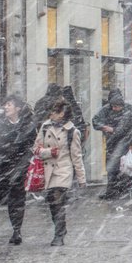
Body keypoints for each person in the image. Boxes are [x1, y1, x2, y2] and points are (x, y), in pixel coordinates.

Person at [33, 99, 86, 247]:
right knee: (52, 202)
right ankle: (61, 227)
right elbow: (36, 148)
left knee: (58, 199)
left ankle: (59, 234)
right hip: (48, 168)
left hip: (63, 170)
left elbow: (76, 156)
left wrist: (81, 178)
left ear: (62, 114)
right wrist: (48, 151)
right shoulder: (45, 126)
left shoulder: (72, 132)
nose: (51, 113)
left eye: (55, 111)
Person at [0, 95, 35, 245]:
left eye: (9, 104)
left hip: (20, 166)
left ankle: (16, 230)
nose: (6, 107)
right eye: (5, 104)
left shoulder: (28, 124)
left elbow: (31, 145)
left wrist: (26, 162)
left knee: (17, 199)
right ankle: (15, 227)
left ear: (18, 108)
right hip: (3, 165)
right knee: (4, 198)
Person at [92, 88, 132, 200]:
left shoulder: (129, 110)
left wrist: (113, 130)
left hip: (124, 142)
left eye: (116, 106)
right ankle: (115, 190)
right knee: (115, 167)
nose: (114, 108)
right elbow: (95, 121)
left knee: (125, 166)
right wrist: (104, 127)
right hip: (114, 142)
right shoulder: (107, 109)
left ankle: (121, 189)